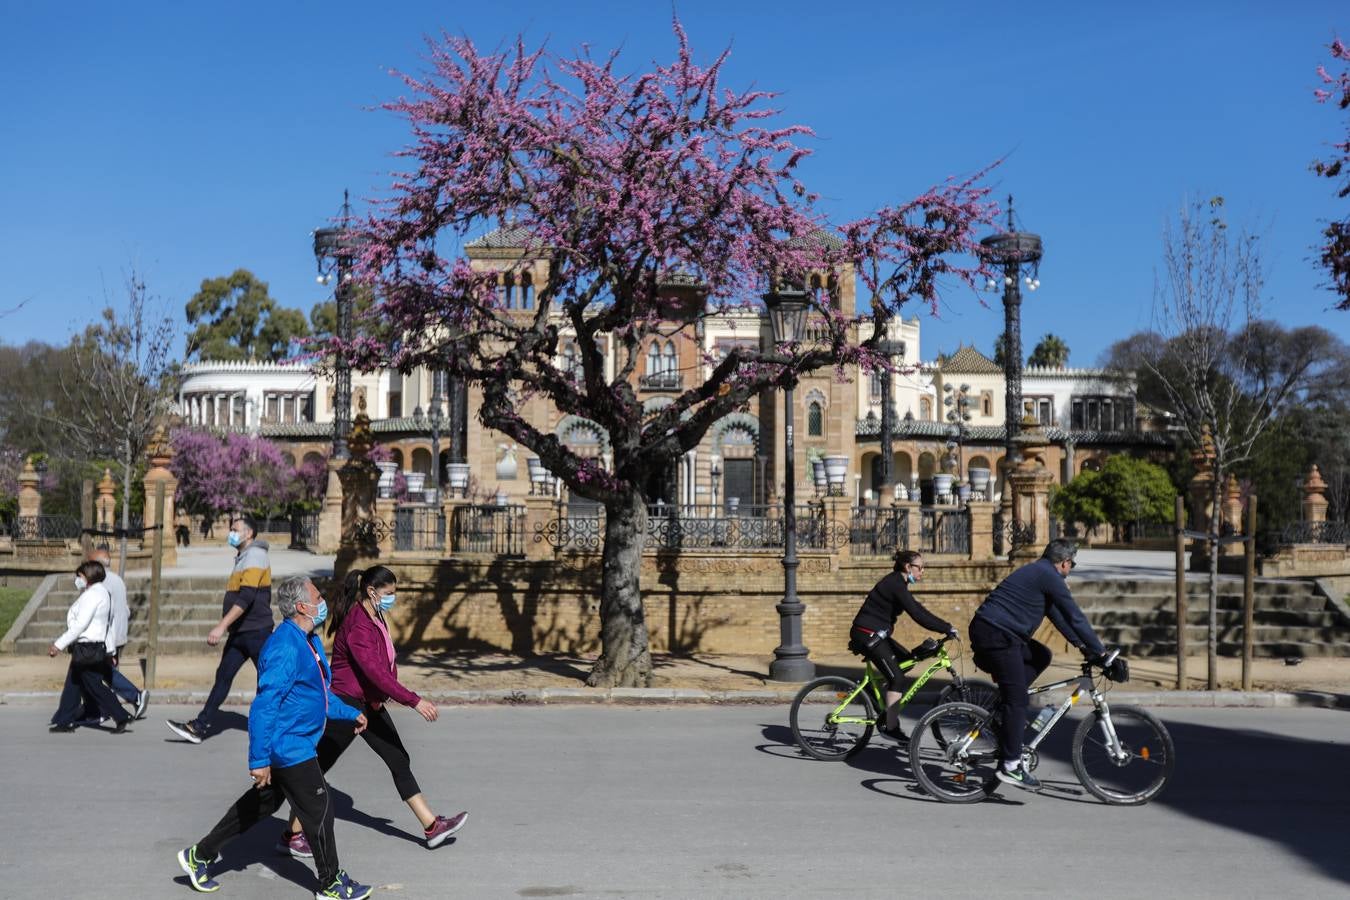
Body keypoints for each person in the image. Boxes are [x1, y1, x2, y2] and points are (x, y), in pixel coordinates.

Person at [175, 576, 374, 899]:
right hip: (289, 747)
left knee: (258, 807)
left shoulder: (305, 641)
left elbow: (319, 695)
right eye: (317, 596)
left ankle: (199, 856)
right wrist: (259, 759)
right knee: (320, 808)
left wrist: (350, 713)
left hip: (295, 743)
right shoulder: (284, 646)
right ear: (301, 607)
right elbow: (264, 706)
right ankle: (331, 883)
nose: (323, 601)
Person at [278, 566, 468, 858]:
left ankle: (432, 827)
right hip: (346, 704)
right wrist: (414, 701)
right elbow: (376, 673)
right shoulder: (358, 625)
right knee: (317, 768)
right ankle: (292, 833)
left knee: (398, 757)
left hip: (369, 702)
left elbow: (383, 667)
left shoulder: (374, 615)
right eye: (389, 593)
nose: (393, 598)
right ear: (372, 592)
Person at [968, 538, 1119, 792]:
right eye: (1072, 565)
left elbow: (1059, 617)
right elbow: (1075, 616)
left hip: (998, 633)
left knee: (1041, 656)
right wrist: (1101, 652)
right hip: (997, 635)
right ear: (1064, 562)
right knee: (1018, 701)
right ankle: (1011, 766)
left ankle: (1008, 707)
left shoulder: (1039, 573)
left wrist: (1085, 648)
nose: (1070, 570)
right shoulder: (1049, 576)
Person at [168, 516, 273, 743]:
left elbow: (247, 596)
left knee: (268, 681)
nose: (231, 533)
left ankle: (274, 729)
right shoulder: (243, 557)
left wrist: (221, 625)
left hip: (257, 631)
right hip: (240, 633)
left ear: (249, 534)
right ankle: (200, 726)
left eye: (235, 529)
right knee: (223, 677)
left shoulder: (255, 555)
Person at [849, 550, 956, 741]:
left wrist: (944, 628)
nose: (922, 572)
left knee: (908, 660)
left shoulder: (899, 584)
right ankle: (891, 728)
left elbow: (918, 609)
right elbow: (918, 614)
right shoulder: (895, 583)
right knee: (897, 678)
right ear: (908, 567)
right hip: (868, 634)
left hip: (877, 634)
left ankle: (874, 693)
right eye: (920, 568)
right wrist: (946, 627)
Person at [48, 560, 132, 734]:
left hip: (87, 648)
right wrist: (110, 651)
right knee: (73, 684)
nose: (77, 579)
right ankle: (65, 721)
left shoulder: (92, 595)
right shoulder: (102, 593)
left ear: (88, 576)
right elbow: (107, 625)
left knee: (94, 686)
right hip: (93, 647)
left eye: (79, 576)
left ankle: (121, 715)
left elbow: (79, 626)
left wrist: (58, 645)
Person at [91, 545, 149, 720]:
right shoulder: (117, 579)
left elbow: (104, 612)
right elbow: (125, 608)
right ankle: (105, 709)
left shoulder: (101, 582)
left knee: (103, 672)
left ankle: (135, 696)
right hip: (119, 633)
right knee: (106, 672)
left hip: (109, 636)